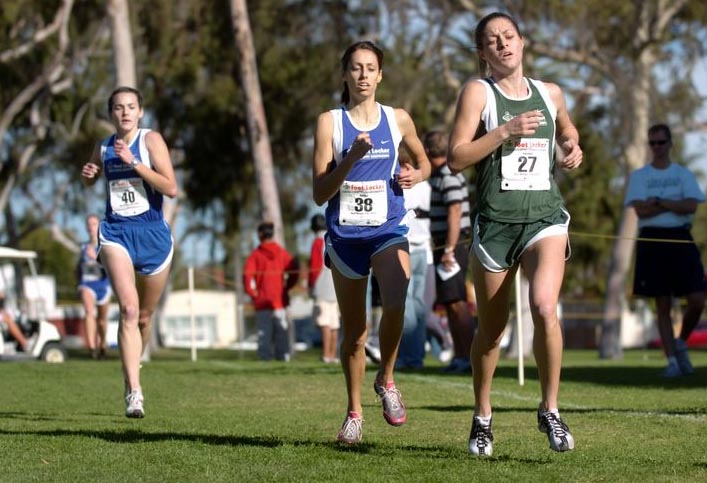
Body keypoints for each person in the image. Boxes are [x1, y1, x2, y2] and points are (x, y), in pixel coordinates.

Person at [447, 12, 583, 456]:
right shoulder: (478, 93)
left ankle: (551, 409)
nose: (503, 44)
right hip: (496, 225)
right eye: (492, 40)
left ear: (522, 42)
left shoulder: (550, 92)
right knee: (491, 331)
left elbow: (566, 129)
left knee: (544, 307)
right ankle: (483, 416)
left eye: (509, 36)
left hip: (545, 217)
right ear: (482, 53)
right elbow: (456, 157)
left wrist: (570, 148)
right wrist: (504, 130)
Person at [312, 40, 431, 444]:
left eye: (370, 68)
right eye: (356, 68)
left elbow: (425, 161)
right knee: (356, 333)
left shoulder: (397, 119)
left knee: (397, 299)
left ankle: (387, 378)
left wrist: (417, 174)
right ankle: (354, 412)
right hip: (345, 236)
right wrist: (350, 158)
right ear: (345, 74)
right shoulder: (330, 122)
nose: (363, 75)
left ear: (381, 75)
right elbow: (319, 192)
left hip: (388, 228)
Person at [81, 86, 178, 419]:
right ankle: (134, 391)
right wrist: (90, 175)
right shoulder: (104, 146)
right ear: (111, 114)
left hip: (152, 234)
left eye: (131, 107)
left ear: (140, 112)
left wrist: (134, 163)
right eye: (118, 107)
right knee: (128, 308)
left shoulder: (151, 141)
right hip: (115, 233)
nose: (124, 112)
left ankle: (132, 369)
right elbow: (91, 176)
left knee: (144, 317)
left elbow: (171, 187)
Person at [625, 123, 706, 377]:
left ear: (670, 143)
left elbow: (691, 206)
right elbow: (641, 210)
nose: (657, 148)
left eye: (661, 142)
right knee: (662, 304)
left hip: (681, 238)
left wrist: (659, 202)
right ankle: (671, 361)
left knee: (697, 299)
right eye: (653, 143)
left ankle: (681, 343)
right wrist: (673, 204)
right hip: (651, 239)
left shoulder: (683, 174)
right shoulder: (640, 176)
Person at [427, 130, 475, 373]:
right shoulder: (437, 175)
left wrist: (448, 250)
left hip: (452, 246)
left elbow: (455, 212)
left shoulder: (448, 174)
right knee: (450, 303)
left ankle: (468, 358)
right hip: (445, 245)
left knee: (458, 304)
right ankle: (459, 356)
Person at [396, 147, 434, 370]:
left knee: (408, 305)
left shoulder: (404, 186)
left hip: (407, 249)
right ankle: (416, 355)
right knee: (419, 307)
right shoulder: (427, 186)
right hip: (424, 250)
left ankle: (408, 356)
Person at [243, 221, 299, 361]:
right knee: (282, 333)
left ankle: (265, 359)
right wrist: (288, 287)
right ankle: (284, 357)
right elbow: (294, 269)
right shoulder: (281, 252)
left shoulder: (255, 255)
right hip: (279, 301)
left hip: (262, 302)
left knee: (264, 334)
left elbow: (247, 276)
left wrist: (252, 293)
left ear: (260, 234)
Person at [77, 214, 112, 360]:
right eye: (89, 224)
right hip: (87, 284)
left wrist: (96, 258)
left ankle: (102, 343)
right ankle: (91, 348)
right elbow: (79, 267)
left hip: (103, 284)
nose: (91, 227)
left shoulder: (106, 245)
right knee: (89, 312)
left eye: (94, 224)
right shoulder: (83, 247)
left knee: (102, 320)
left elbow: (111, 267)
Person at [308, 214, 340, 363]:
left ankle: (326, 354)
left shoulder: (317, 242)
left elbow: (315, 267)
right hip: (335, 284)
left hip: (322, 285)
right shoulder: (332, 238)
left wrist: (311, 286)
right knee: (334, 322)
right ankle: (333, 354)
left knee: (324, 322)